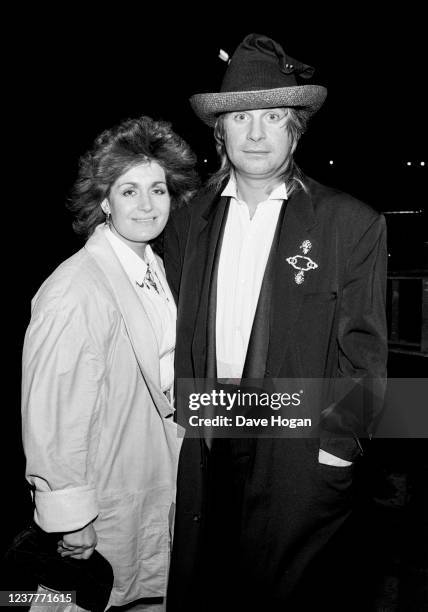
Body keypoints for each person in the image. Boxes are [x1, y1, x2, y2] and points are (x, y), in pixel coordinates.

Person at [164, 34, 387, 611]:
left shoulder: (349, 222)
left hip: (298, 447)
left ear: (295, 128)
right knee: (208, 588)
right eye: (241, 117)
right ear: (221, 131)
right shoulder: (187, 219)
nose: (256, 133)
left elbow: (364, 352)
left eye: (272, 116)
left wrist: (339, 449)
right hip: (208, 435)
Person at [21, 115, 199, 610]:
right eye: (129, 191)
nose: (146, 205)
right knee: (61, 603)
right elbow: (54, 412)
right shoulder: (76, 287)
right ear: (103, 200)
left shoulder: (151, 266)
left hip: (145, 476)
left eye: (158, 189)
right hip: (102, 497)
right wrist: (71, 515)